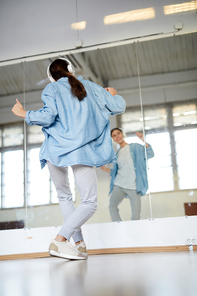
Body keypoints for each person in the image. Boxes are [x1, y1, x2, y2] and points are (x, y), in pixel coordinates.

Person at [12, 58, 126, 260]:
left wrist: (24, 113)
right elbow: (117, 107)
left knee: (65, 197)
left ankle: (80, 245)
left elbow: (47, 117)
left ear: (51, 76)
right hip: (81, 151)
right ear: (71, 70)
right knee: (89, 202)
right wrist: (114, 95)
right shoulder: (91, 87)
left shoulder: (51, 89)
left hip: (54, 150)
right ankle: (60, 241)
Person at [100, 128, 154, 222]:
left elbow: (150, 154)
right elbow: (117, 171)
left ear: (122, 134)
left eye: (118, 133)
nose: (117, 137)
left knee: (136, 217)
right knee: (112, 206)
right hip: (119, 185)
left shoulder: (135, 147)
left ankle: (133, 234)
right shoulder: (117, 154)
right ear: (113, 139)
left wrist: (143, 140)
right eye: (114, 136)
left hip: (134, 186)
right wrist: (105, 169)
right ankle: (119, 227)